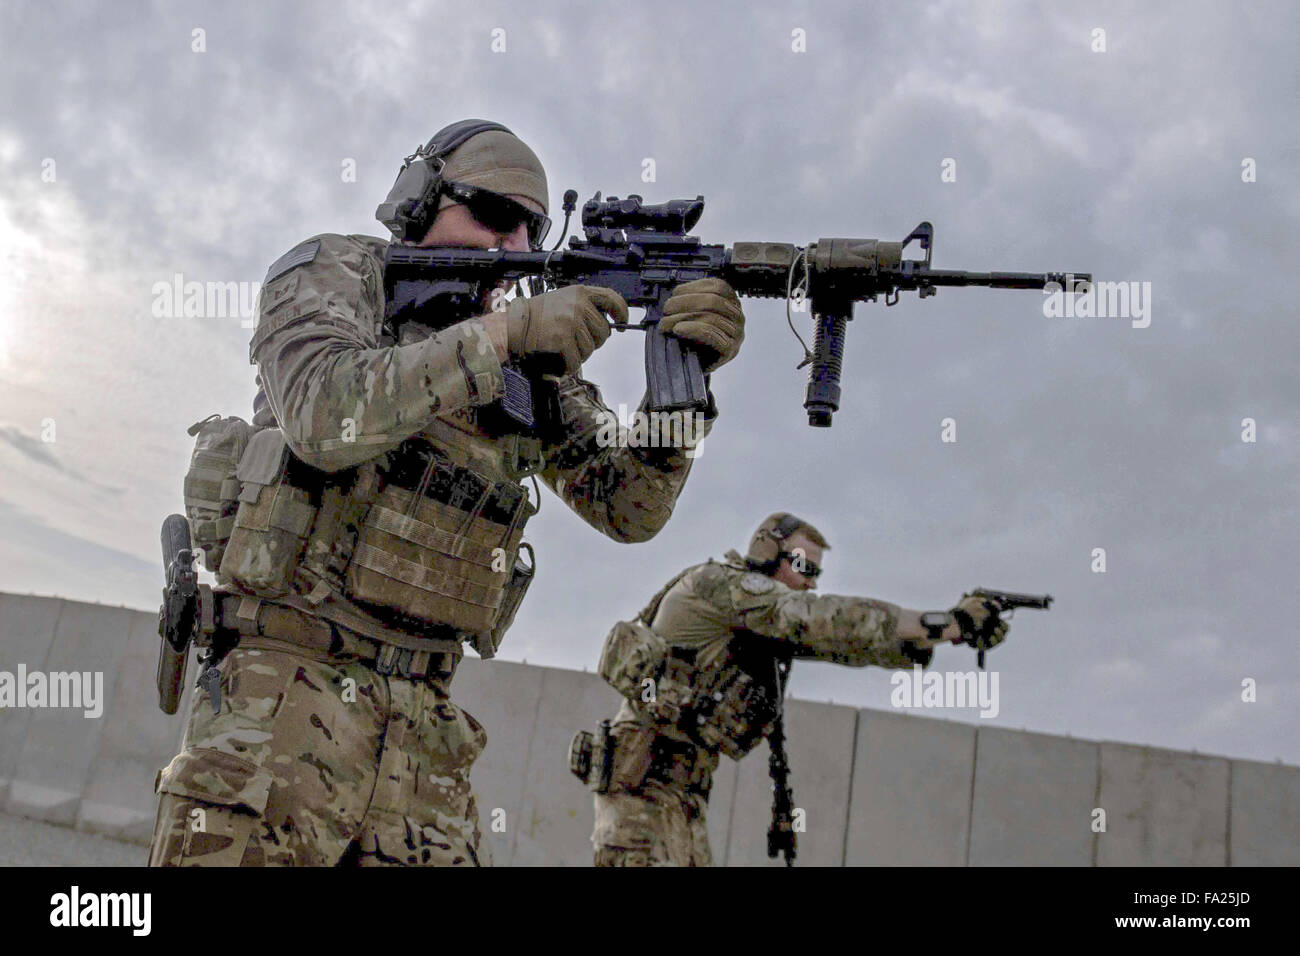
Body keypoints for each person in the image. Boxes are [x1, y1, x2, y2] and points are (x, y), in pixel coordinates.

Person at [148, 119, 745, 866]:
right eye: (494, 216)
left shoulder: (533, 362)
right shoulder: (340, 273)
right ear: (421, 199)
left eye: (531, 228)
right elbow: (322, 415)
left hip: (428, 735)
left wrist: (680, 400)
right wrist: (502, 335)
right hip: (278, 708)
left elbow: (628, 508)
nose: (515, 246)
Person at [581, 511, 1009, 867]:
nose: (810, 582)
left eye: (816, 573)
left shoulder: (758, 622)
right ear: (768, 553)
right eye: (803, 568)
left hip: (679, 793)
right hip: (641, 788)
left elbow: (841, 642)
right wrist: (945, 620)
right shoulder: (723, 587)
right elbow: (825, 619)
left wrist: (942, 634)